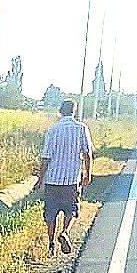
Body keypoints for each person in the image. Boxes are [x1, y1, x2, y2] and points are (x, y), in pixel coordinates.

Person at [36, 99, 94, 256]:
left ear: (60, 111)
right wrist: (87, 173)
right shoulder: (81, 128)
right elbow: (87, 153)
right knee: (72, 209)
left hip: (52, 180)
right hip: (71, 179)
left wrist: (40, 178)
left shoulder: (53, 130)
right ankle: (65, 231)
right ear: (74, 111)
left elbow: (46, 157)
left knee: (50, 213)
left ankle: (51, 243)